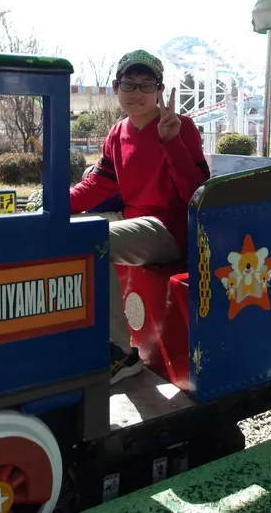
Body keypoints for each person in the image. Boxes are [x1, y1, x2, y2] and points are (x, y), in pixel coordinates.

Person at [70, 49, 210, 384]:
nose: (137, 92)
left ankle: (121, 351)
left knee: (94, 238)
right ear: (116, 88)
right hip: (135, 220)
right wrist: (52, 208)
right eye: (129, 84)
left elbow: (197, 191)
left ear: (160, 90)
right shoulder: (118, 133)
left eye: (147, 85)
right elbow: (96, 185)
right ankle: (87, 335)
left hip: (171, 228)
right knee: (69, 232)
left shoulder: (181, 127)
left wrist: (171, 141)